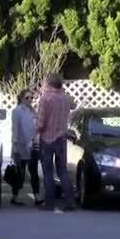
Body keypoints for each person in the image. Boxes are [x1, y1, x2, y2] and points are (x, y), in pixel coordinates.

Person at [37, 73, 77, 211]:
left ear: (49, 83)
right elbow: (74, 104)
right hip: (61, 138)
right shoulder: (66, 98)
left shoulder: (45, 98)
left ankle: (49, 203)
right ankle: (69, 201)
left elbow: (41, 123)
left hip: (47, 139)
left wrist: (35, 133)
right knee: (62, 171)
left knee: (48, 172)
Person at [10, 89, 42, 206]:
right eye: (27, 98)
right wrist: (16, 145)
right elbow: (15, 129)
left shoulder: (33, 111)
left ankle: (37, 196)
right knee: (20, 173)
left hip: (33, 145)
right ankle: (15, 196)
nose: (29, 100)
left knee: (33, 172)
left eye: (31, 98)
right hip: (21, 145)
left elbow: (37, 127)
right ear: (21, 98)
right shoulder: (17, 111)